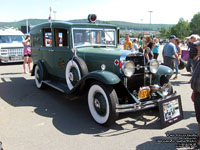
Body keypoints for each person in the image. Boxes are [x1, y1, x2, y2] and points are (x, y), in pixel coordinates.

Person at [191, 41, 200, 149]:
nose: (196, 47)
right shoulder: (198, 60)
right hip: (197, 93)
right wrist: (194, 92)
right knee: (199, 116)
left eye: (198, 46)